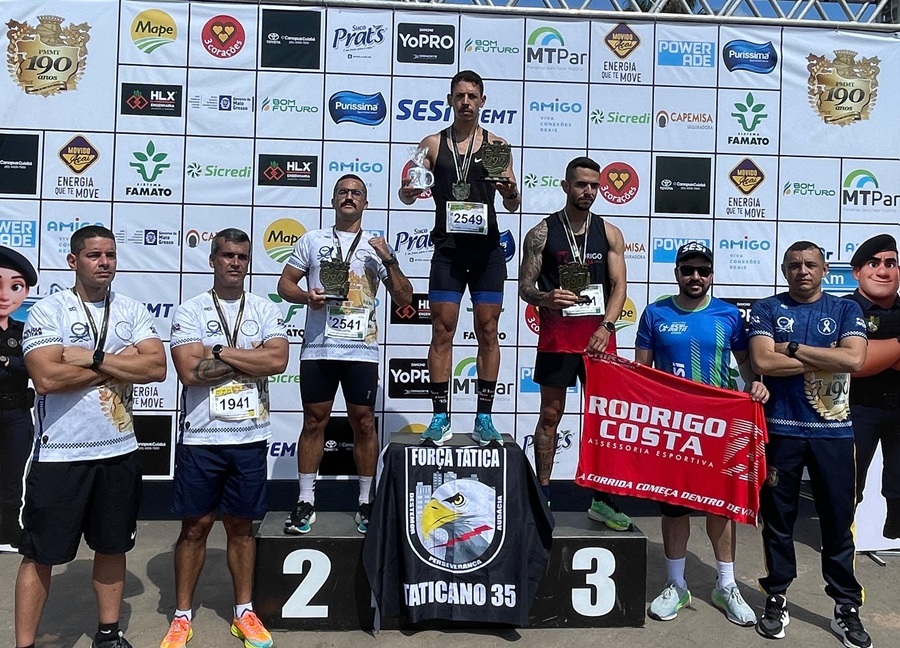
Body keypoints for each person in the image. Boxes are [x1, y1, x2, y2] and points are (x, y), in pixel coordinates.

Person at [17, 226, 166, 648]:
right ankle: (24, 644)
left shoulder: (131, 309)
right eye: (94, 255)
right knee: (41, 555)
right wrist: (119, 362)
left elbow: (156, 368)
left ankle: (108, 634)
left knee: (113, 546)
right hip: (60, 455)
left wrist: (91, 357)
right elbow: (47, 378)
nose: (104, 263)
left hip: (119, 452)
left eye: (110, 255)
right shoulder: (49, 311)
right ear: (73, 261)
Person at [162, 228, 288, 648]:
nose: (235, 262)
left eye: (242, 257)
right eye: (228, 255)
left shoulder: (264, 308)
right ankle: (181, 616)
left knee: (241, 527)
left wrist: (217, 352)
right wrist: (251, 359)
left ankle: (243, 612)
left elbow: (278, 361)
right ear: (213, 260)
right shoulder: (191, 310)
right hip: (202, 437)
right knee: (195, 528)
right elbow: (188, 371)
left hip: (249, 437)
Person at [634, 242, 768, 626]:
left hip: (718, 427)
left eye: (703, 270)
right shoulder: (655, 312)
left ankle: (725, 585)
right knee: (674, 508)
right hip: (674, 428)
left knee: (720, 507)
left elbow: (746, 364)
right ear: (676, 272)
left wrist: (756, 384)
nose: (696, 276)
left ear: (711, 275)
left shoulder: (729, 314)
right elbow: (642, 373)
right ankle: (676, 584)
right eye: (688, 269)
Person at [749, 241, 871, 648]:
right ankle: (776, 597)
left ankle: (845, 606)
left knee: (838, 523)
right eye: (795, 265)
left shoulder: (845, 310)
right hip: (781, 431)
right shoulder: (767, 308)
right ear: (785, 270)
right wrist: (826, 356)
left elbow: (854, 360)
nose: (803, 271)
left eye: (810, 264)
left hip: (834, 434)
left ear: (824, 269)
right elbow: (763, 362)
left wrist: (793, 348)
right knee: (777, 522)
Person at [279, 174, 412, 536]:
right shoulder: (312, 240)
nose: (349, 197)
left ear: (365, 203)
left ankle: (366, 501)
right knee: (313, 421)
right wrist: (306, 297)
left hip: (361, 349)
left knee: (364, 423)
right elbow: (285, 284)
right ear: (334, 200)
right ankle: (306, 500)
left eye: (356, 193)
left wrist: (390, 259)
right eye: (343, 192)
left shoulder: (376, 246)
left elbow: (404, 298)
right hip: (319, 347)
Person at [398, 69, 520, 446]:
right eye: (460, 95)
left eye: (472, 96)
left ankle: (484, 417)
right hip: (448, 252)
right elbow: (407, 192)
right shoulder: (431, 143)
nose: (466, 102)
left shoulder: (497, 144)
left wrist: (510, 191)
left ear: (483, 101)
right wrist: (408, 191)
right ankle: (440, 417)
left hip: (487, 253)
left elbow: (513, 203)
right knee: (441, 330)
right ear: (450, 100)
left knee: (488, 330)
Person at [518, 156, 631, 529]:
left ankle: (603, 499)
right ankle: (544, 493)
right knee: (550, 416)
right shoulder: (542, 232)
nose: (588, 191)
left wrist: (608, 327)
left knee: (604, 422)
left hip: (599, 342)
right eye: (581, 184)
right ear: (566, 186)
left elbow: (619, 286)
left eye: (594, 185)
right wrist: (545, 298)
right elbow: (525, 286)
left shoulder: (609, 233)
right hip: (557, 341)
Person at [845, 234, 900, 540]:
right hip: (855, 408)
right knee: (848, 483)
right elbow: (856, 363)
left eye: (890, 263)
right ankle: (840, 540)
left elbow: (864, 358)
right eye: (873, 263)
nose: (883, 271)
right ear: (857, 272)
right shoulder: (842, 309)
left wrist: (878, 352)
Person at [0, 247, 37, 553]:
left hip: (16, 412)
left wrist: (7, 361)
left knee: (13, 476)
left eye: (14, 286)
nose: (4, 295)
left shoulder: (24, 331)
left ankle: (10, 529)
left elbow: (36, 365)